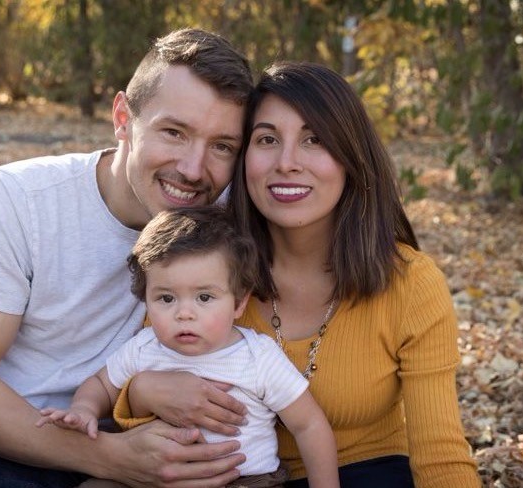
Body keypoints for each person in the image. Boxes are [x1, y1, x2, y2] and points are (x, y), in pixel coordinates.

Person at [0, 28, 255, 488]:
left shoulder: (229, 232)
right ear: (123, 117)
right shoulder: (19, 198)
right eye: (174, 132)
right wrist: (110, 457)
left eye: (221, 146)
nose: (192, 168)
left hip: (75, 440)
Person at [118, 61, 482, 487]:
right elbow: (147, 380)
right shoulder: (204, 261)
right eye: (267, 139)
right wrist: (139, 392)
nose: (287, 162)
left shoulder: (410, 283)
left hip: (366, 472)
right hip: (230, 475)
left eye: (314, 140)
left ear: (350, 157)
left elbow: (441, 457)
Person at [37, 206, 340, 488]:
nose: (184, 313)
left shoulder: (256, 356)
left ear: (238, 302)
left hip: (243, 479)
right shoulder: (145, 347)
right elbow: (102, 385)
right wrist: (84, 409)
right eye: (166, 298)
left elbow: (309, 425)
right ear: (146, 299)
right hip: (150, 477)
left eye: (204, 298)